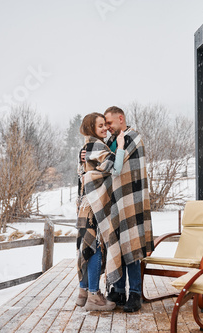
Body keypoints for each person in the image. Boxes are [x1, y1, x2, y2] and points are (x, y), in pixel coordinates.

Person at [83, 106, 154, 313]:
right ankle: (119, 290)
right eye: (104, 124)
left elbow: (117, 164)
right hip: (116, 200)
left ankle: (135, 294)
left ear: (120, 119)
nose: (107, 127)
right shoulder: (112, 141)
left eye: (109, 123)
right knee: (119, 246)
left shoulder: (131, 137)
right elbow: (105, 158)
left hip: (130, 198)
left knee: (131, 248)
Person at [76, 112, 125, 311]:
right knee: (95, 248)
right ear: (91, 130)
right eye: (100, 126)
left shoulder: (85, 147)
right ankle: (94, 297)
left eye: (105, 125)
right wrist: (120, 145)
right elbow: (116, 167)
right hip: (95, 206)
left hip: (85, 205)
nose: (105, 128)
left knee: (86, 247)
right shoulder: (96, 146)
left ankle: (83, 291)